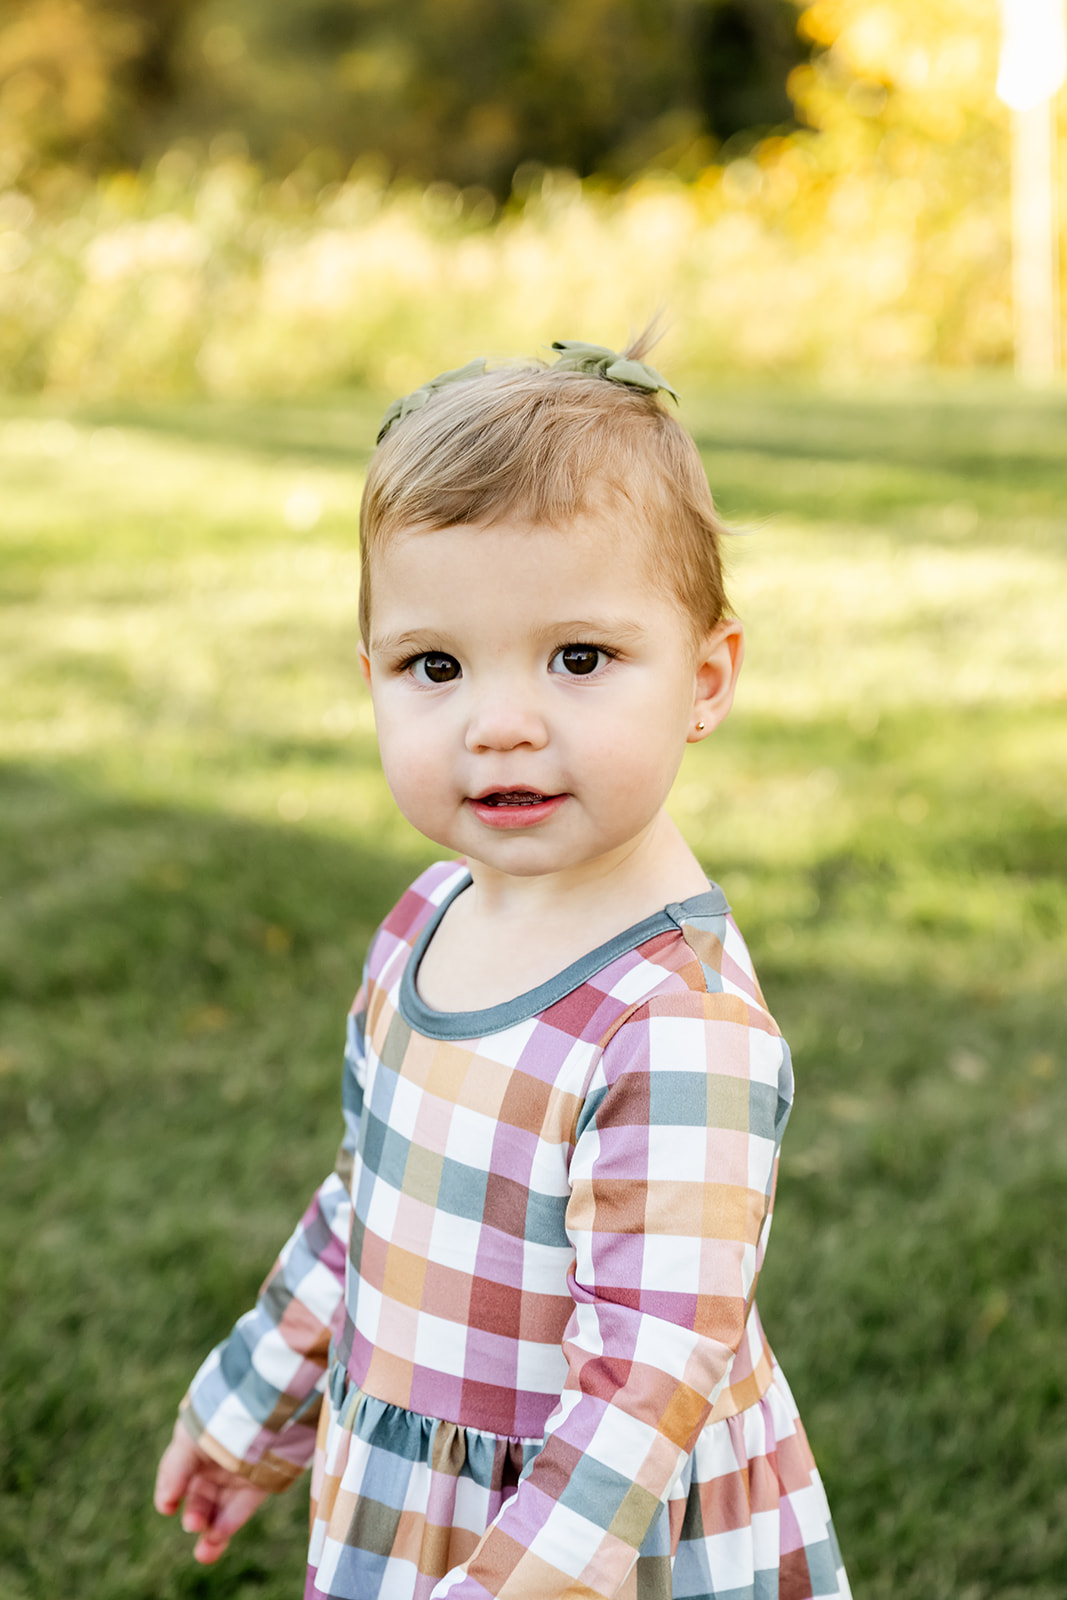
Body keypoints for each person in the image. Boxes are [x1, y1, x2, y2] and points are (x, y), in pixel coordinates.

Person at [154, 335, 851, 1600]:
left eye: (577, 657)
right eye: (437, 665)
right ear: (370, 679)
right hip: (409, 1497)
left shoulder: (672, 1024)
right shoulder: (425, 920)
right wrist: (254, 1400)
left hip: (586, 1540)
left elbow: (647, 1383)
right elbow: (365, 1198)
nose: (502, 720)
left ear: (703, 679)